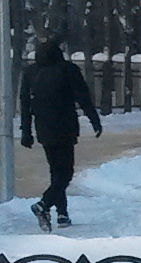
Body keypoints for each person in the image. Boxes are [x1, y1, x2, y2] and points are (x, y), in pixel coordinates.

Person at [20, 37, 103, 230]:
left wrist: (26, 131)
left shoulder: (31, 72)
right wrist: (94, 119)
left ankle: (62, 214)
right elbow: (83, 97)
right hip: (65, 127)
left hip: (43, 128)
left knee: (55, 172)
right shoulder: (68, 70)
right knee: (65, 174)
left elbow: (25, 104)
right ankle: (44, 204)